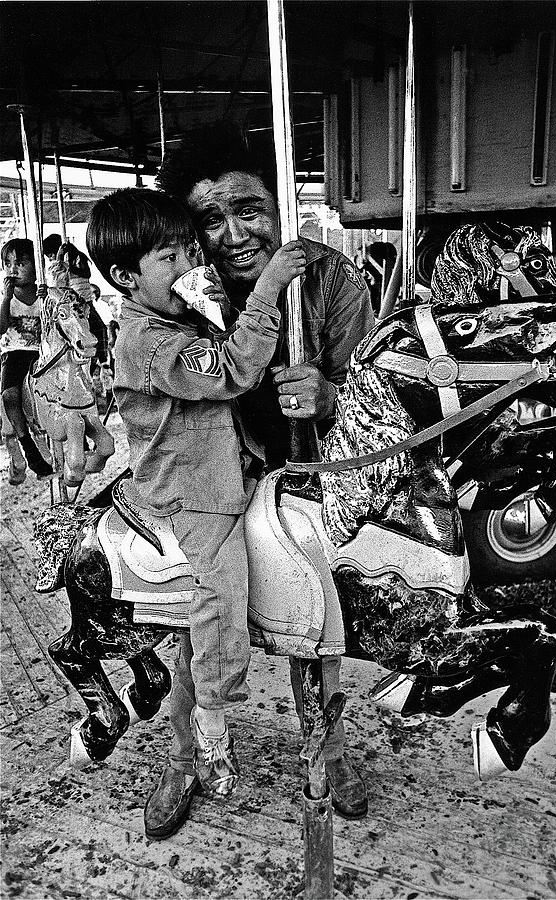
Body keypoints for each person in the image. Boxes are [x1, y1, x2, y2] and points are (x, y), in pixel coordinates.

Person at [154, 122, 374, 835]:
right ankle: (186, 752)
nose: (234, 232)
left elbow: (378, 393)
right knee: (203, 618)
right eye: (210, 219)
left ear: (279, 204)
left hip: (311, 468)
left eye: (248, 209)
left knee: (316, 620)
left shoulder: (335, 280)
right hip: (221, 474)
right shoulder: (185, 294)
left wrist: (332, 394)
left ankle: (326, 748)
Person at [86, 186, 306, 837]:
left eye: (190, 251)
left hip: (232, 468)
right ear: (127, 277)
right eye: (170, 259)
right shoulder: (149, 342)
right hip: (196, 495)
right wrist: (265, 291)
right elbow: (236, 369)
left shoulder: (176, 312)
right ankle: (211, 722)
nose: (189, 267)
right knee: (220, 592)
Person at [0, 238, 53, 481]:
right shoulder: (6, 297)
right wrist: (6, 298)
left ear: (36, 265)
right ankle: (27, 445)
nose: (13, 269)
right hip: (16, 353)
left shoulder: (46, 293)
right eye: (7, 263)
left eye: (20, 263)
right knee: (10, 395)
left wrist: (49, 299)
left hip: (44, 354)